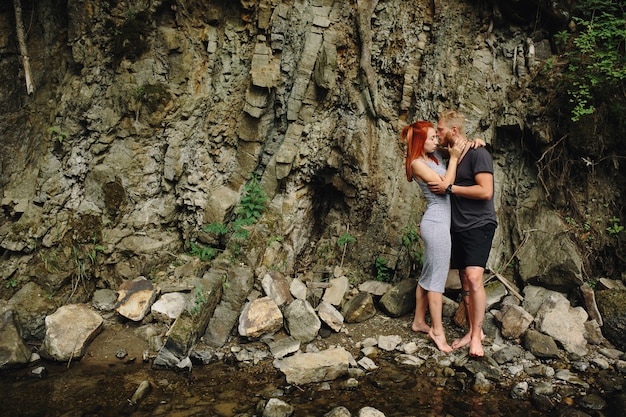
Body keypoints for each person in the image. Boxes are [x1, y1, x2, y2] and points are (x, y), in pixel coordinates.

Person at [427, 110, 497, 358]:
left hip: (480, 224)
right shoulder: (451, 155)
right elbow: (420, 146)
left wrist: (451, 188)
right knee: (465, 281)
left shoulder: (479, 153)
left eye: (441, 129)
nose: (438, 133)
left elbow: (485, 191)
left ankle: (478, 336)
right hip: (458, 227)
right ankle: (470, 331)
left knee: (475, 278)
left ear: (454, 131)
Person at [401, 120, 465, 353]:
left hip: (437, 221)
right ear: (420, 141)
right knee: (437, 279)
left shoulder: (433, 160)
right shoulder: (417, 163)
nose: (436, 141)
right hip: (436, 223)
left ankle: (419, 321)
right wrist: (455, 159)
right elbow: (446, 185)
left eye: (436, 137)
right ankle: (438, 331)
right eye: (431, 138)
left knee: (428, 273)